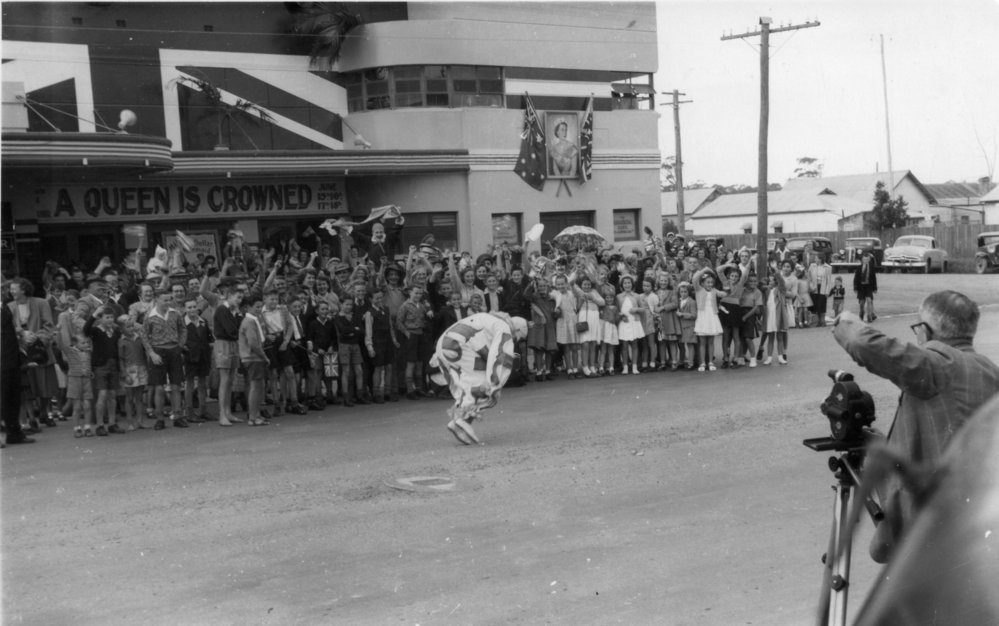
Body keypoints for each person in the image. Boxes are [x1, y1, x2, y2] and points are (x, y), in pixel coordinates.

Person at [832, 290, 999, 563]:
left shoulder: (938, 364)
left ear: (924, 330)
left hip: (935, 529)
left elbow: (861, 341)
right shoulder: (989, 370)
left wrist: (842, 320)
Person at [429, 312, 528, 445]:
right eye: (518, 337)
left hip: (444, 344)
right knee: (485, 387)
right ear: (518, 329)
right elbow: (501, 355)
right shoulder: (504, 327)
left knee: (467, 389)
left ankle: (457, 422)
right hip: (460, 346)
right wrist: (496, 382)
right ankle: (462, 420)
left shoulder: (487, 318)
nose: (516, 341)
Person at [142, 289, 189, 430]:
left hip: (173, 348)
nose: (168, 303)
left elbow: (183, 330)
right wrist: (151, 353)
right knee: (159, 387)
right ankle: (160, 418)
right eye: (165, 300)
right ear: (157, 299)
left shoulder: (176, 313)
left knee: (176, 385)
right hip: (158, 350)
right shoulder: (150, 316)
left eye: (169, 300)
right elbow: (144, 335)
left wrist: (179, 347)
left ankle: (178, 416)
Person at [84, 306, 123, 435]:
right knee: (102, 394)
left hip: (113, 365)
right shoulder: (96, 331)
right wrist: (94, 314)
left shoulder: (116, 331)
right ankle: (100, 424)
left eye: (111, 317)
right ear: (100, 319)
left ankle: (112, 423)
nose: (110, 320)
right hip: (100, 366)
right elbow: (85, 330)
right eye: (107, 317)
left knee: (112, 395)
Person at [2, 302, 34, 445]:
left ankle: (14, 432)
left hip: (11, 356)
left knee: (13, 396)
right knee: (2, 396)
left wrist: (21, 333)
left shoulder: (4, 306)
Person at [238, 293, 270, 426]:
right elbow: (253, 343)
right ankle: (253, 416)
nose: (259, 309)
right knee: (255, 387)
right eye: (257, 307)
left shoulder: (252, 320)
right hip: (253, 357)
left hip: (252, 357)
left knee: (257, 386)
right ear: (248, 307)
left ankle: (256, 414)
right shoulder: (249, 321)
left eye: (260, 307)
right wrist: (264, 356)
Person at [183, 298, 214, 423]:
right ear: (185, 309)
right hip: (190, 356)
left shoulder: (203, 321)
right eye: (189, 307)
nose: (192, 309)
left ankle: (203, 410)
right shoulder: (182, 323)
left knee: (202, 384)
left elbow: (209, 338)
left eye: (194, 307)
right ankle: (189, 412)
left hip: (203, 355)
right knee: (189, 384)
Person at [692, 266, 724, 372]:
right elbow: (695, 278)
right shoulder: (698, 289)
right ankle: (702, 363)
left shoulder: (714, 290)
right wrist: (704, 270)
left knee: (711, 342)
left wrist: (726, 290)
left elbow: (723, 293)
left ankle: (710, 362)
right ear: (702, 283)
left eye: (711, 282)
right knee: (702, 342)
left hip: (712, 316)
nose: (710, 284)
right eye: (708, 282)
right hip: (702, 316)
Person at [854, 251, 878, 322]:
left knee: (869, 300)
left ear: (869, 260)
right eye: (864, 259)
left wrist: (875, 288)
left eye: (867, 259)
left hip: (869, 287)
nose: (865, 261)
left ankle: (869, 316)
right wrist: (855, 287)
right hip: (861, 287)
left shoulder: (871, 268)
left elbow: (874, 278)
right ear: (862, 259)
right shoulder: (859, 268)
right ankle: (861, 313)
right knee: (861, 303)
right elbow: (856, 278)